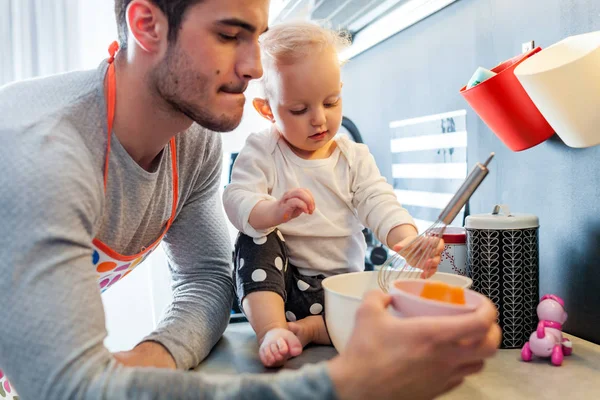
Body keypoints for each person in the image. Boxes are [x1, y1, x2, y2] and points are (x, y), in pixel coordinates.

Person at [0, 0, 501, 399]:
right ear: (147, 25)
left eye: (257, 38)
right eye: (228, 35)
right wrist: (346, 386)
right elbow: (68, 388)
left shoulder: (192, 144)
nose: (254, 65)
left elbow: (205, 278)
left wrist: (157, 354)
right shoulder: (42, 152)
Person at [223, 21, 444, 368]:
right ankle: (273, 332)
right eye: (299, 110)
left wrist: (408, 242)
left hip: (340, 291)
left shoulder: (353, 157)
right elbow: (236, 199)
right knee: (256, 239)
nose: (319, 119)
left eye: (331, 101)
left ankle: (314, 329)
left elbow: (379, 202)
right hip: (281, 287)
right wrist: (271, 211)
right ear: (267, 110)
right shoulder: (263, 151)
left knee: (379, 310)